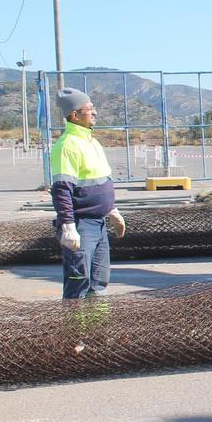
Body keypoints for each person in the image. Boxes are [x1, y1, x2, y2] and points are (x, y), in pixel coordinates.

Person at [50, 88, 126, 299]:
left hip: (99, 225)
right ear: (74, 115)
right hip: (82, 226)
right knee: (78, 285)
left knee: (99, 284)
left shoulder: (92, 142)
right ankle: (76, 331)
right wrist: (68, 227)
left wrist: (112, 210)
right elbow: (62, 190)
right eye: (89, 109)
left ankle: (97, 331)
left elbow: (99, 181)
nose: (94, 113)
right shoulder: (67, 146)